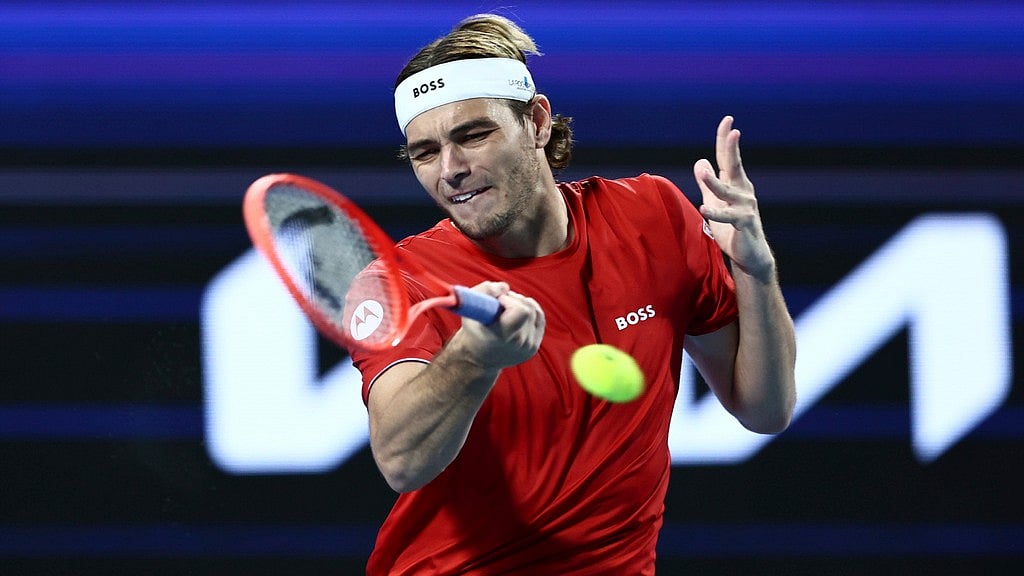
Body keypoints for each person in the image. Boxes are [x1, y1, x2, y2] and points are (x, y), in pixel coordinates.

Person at [350, 13, 797, 575]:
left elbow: (766, 407)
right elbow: (401, 460)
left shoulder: (653, 216)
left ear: (537, 121)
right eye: (424, 152)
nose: (451, 170)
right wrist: (474, 356)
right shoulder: (399, 282)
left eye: (473, 135)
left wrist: (756, 269)